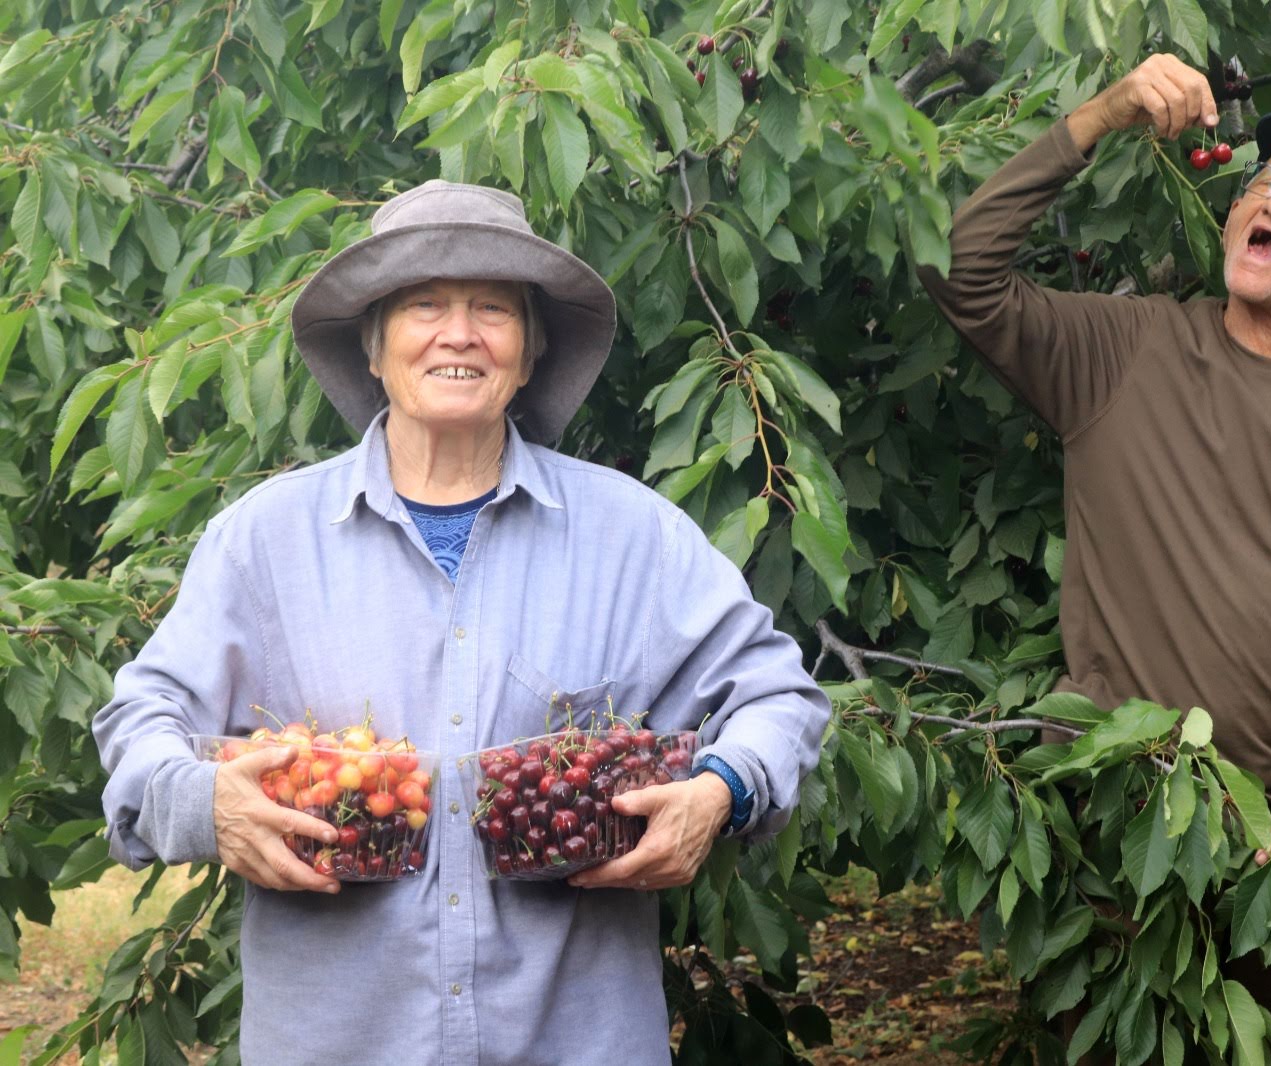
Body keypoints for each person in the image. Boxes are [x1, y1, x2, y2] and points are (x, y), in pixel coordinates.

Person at [93, 180, 831, 1065]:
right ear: (374, 349)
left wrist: (720, 792)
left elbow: (778, 696)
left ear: (528, 355)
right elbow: (139, 723)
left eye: (492, 309)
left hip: (575, 1041)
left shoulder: (632, 536)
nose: (459, 332)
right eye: (423, 306)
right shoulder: (263, 542)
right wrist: (204, 804)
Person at [918, 54, 1271, 1063]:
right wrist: (1100, 117)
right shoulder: (1121, 352)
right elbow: (959, 269)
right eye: (1263, 184)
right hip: (1121, 842)